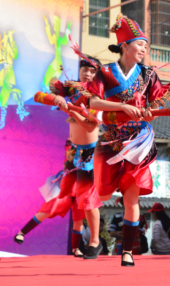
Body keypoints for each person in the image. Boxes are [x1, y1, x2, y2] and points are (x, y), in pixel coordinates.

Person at [81, 14, 170, 267]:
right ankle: (95, 237)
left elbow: (154, 108)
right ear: (124, 45)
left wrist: (149, 113)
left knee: (132, 197)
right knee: (102, 194)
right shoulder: (104, 73)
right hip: (112, 139)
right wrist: (123, 106)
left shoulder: (149, 75)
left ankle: (127, 252)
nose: (144, 49)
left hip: (138, 141)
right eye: (140, 44)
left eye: (146, 46)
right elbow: (93, 102)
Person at [14, 58, 103, 258]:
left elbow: (90, 125)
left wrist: (70, 108)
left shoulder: (98, 96)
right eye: (84, 70)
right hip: (72, 154)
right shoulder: (70, 90)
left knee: (88, 200)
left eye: (92, 71)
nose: (87, 74)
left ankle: (94, 242)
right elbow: (38, 95)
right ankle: (27, 233)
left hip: (89, 153)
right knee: (60, 200)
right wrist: (56, 99)